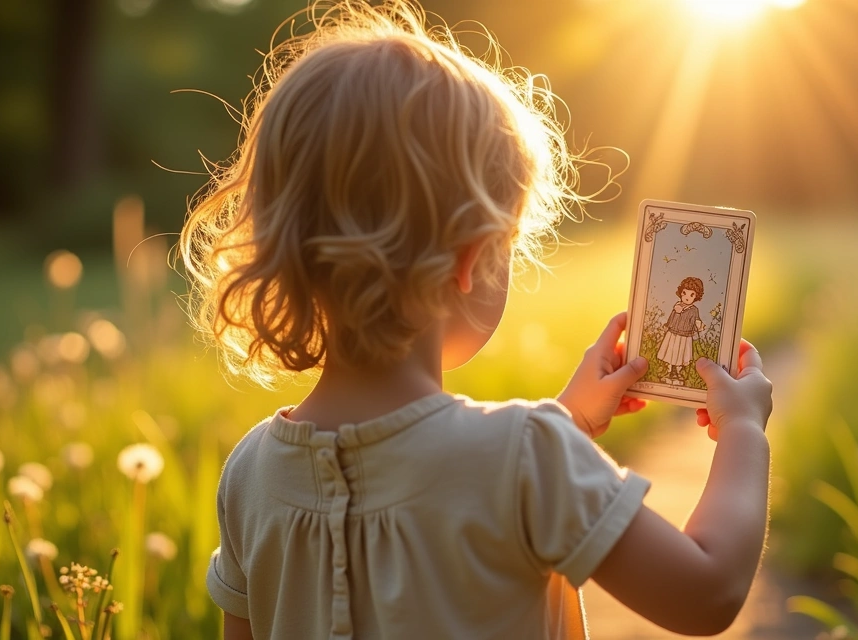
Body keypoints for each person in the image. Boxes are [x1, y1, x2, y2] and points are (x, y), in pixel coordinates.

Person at [179, 2, 773, 638]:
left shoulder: (250, 475)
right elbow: (706, 590)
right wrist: (743, 431)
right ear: (468, 260)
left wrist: (567, 424)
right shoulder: (527, 459)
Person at [655, 276, 707, 384]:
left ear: (696, 296)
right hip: (673, 333)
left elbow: (696, 321)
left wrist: (699, 325)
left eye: (691, 294)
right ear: (681, 293)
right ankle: (669, 371)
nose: (687, 297)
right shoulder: (677, 306)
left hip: (685, 336)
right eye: (684, 293)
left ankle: (677, 373)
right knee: (671, 352)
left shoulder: (693, 310)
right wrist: (667, 325)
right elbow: (672, 317)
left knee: (681, 354)